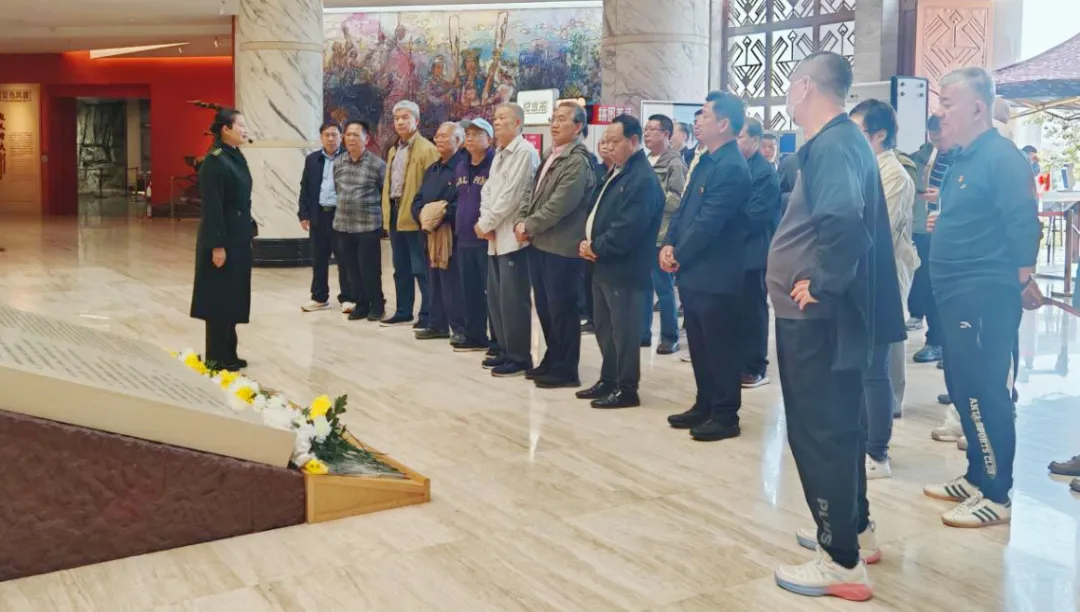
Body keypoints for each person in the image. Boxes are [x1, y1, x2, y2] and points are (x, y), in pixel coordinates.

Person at [767, 52, 904, 601]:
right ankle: (854, 531)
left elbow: (844, 220)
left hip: (817, 317)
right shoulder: (843, 140)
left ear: (804, 87)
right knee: (839, 428)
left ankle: (840, 560)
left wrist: (821, 282)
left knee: (819, 432)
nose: (787, 96)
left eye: (788, 85)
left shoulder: (832, 144)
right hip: (824, 316)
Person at [921, 67, 1040, 528]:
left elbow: (1023, 222)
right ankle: (975, 475)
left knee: (984, 390)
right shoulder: (963, 158)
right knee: (961, 387)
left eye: (947, 102)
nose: (939, 111)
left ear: (976, 107)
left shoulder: (1001, 157)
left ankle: (996, 492)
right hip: (955, 294)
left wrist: (1022, 281)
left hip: (984, 295)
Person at [662, 91, 752, 442]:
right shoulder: (706, 161)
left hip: (717, 273)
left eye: (704, 115)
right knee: (699, 344)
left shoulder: (732, 167)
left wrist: (679, 254)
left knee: (720, 347)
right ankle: (705, 403)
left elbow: (709, 223)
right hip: (695, 271)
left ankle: (725, 415)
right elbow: (684, 210)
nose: (697, 121)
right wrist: (669, 243)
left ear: (724, 124)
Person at [850, 99, 918, 480]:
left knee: (876, 370)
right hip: (858, 278)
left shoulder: (894, 176)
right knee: (861, 368)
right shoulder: (863, 167)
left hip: (882, 278)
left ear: (879, 135)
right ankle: (862, 440)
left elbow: (872, 230)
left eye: (857, 131)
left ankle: (878, 452)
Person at [577, 115, 664, 408]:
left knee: (623, 331)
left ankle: (627, 388)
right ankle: (609, 378)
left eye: (615, 141)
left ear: (634, 141)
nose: (609, 147)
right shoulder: (616, 171)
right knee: (604, 327)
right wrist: (589, 245)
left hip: (625, 268)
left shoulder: (642, 179)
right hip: (602, 263)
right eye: (606, 141)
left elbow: (628, 228)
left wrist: (597, 247)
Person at [514, 102, 596, 388]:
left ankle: (566, 369)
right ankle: (553, 358)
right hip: (540, 243)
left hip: (562, 246)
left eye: (562, 119)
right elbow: (531, 192)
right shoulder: (551, 153)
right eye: (553, 119)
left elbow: (560, 204)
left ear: (578, 127)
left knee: (563, 309)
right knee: (546, 307)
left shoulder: (578, 161)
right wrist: (522, 220)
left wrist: (529, 225)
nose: (554, 124)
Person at [476, 103, 540, 377]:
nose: (497, 122)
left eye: (503, 118)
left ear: (517, 123)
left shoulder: (524, 152)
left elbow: (512, 195)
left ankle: (519, 356)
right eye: (495, 117)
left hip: (513, 239)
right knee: (497, 298)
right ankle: (503, 349)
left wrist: (486, 223)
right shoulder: (500, 152)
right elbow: (488, 192)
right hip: (494, 237)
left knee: (514, 300)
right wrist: (485, 223)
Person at [190, 108, 255, 371]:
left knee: (233, 295)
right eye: (241, 125)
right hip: (222, 238)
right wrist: (217, 245)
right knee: (219, 298)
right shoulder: (215, 160)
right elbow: (213, 207)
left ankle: (229, 352)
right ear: (226, 129)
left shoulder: (234, 156)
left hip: (238, 236)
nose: (245, 130)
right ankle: (217, 357)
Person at [381, 100, 439, 328]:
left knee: (421, 269)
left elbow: (432, 186)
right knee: (400, 267)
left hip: (416, 216)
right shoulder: (394, 150)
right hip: (395, 212)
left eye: (405, 117)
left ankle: (428, 314)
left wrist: (422, 214)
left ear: (416, 120)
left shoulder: (427, 149)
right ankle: (403, 310)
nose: (400, 122)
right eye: (397, 118)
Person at [410, 122, 468, 341]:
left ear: (458, 141)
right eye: (437, 136)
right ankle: (437, 325)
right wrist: (421, 214)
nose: (439, 139)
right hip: (429, 232)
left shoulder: (462, 168)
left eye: (445, 136)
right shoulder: (433, 169)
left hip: (451, 234)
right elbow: (418, 199)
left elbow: (462, 201)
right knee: (433, 279)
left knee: (452, 282)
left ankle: (460, 328)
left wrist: (440, 213)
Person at [735, 117, 781, 388]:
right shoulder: (737, 165)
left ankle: (755, 366)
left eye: (740, 137)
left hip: (754, 250)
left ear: (754, 140)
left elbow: (755, 215)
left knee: (753, 310)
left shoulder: (763, 172)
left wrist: (724, 221)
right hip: (733, 251)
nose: (736, 141)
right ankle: (737, 360)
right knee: (736, 310)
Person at [641, 113, 687, 355]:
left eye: (652, 129)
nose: (646, 133)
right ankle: (643, 333)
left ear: (666, 134)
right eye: (646, 129)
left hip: (662, 233)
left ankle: (670, 336)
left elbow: (677, 198)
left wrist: (649, 203)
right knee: (643, 286)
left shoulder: (674, 162)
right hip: (642, 233)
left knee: (664, 288)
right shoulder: (645, 160)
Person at [333, 120, 388, 322]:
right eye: (348, 135)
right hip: (343, 225)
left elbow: (384, 193)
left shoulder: (377, 164)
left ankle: (377, 305)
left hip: (367, 226)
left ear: (367, 139)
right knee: (351, 269)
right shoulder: (339, 162)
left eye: (356, 135)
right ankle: (362, 304)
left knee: (369, 269)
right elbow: (338, 189)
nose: (351, 139)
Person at [907, 116, 951, 364]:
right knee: (928, 287)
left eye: (941, 137)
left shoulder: (965, 158)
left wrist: (943, 196)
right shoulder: (923, 158)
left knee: (949, 291)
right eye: (933, 138)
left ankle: (950, 347)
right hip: (925, 229)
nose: (938, 143)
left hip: (952, 234)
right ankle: (935, 341)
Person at [452, 118, 497, 352]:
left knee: (491, 292)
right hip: (464, 238)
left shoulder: (495, 165)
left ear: (489, 139)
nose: (470, 138)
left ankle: (498, 340)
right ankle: (475, 335)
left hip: (487, 239)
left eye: (476, 134)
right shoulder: (461, 165)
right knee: (469, 290)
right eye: (467, 134)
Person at [298, 122, 349, 313]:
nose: (330, 138)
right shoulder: (312, 159)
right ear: (321, 137)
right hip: (318, 215)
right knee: (319, 258)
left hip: (341, 215)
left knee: (344, 257)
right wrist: (303, 213)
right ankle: (319, 297)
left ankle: (348, 297)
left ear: (341, 137)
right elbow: (305, 187)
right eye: (327, 135)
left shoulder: (348, 158)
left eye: (334, 135)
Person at [581, 137, 617, 335]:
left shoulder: (624, 174)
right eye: (601, 143)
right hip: (590, 238)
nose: (605, 146)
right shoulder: (596, 170)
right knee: (589, 279)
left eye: (609, 142)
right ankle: (592, 317)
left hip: (609, 239)